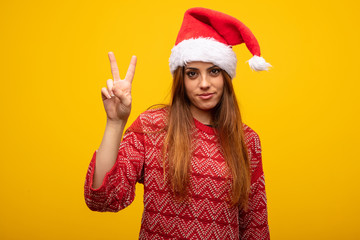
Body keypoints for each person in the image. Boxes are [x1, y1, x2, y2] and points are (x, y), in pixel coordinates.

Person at [84, 7, 271, 240]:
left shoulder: (247, 140)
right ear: (181, 79)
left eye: (213, 71)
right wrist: (115, 122)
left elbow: (255, 225)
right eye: (192, 73)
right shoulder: (152, 127)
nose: (204, 83)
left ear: (226, 76)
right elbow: (103, 199)